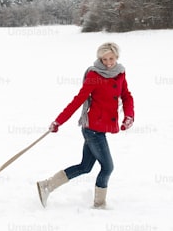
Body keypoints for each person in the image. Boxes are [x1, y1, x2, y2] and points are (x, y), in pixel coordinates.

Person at [37, 42, 134, 209]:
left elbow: (126, 96)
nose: (108, 63)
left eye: (111, 58)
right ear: (99, 58)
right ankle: (99, 204)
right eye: (104, 59)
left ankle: (47, 185)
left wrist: (129, 116)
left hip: (101, 129)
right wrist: (58, 121)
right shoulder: (94, 75)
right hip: (93, 129)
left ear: (116, 57)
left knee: (85, 166)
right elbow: (78, 100)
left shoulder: (120, 73)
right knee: (108, 167)